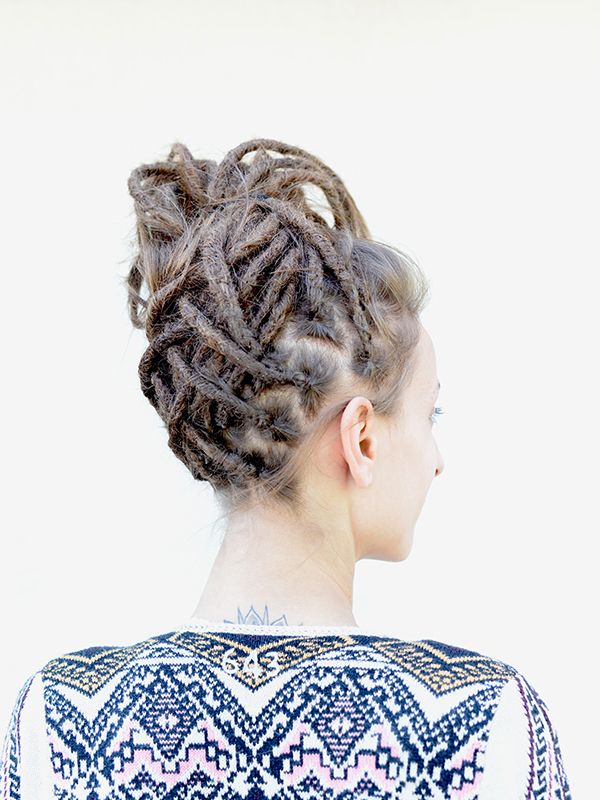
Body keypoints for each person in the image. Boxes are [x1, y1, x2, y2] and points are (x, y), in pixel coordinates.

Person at [0, 138, 571, 799]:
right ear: (361, 438)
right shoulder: (483, 721)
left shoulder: (63, 718)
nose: (437, 461)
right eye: (429, 415)